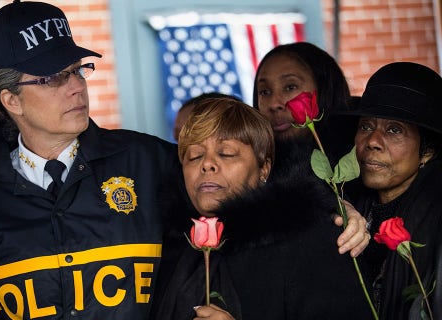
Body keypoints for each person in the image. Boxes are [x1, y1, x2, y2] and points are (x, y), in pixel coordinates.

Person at [0, 1, 187, 319]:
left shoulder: (150, 163)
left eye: (77, 70)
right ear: (11, 101)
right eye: (52, 78)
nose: (77, 86)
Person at [151, 98, 374, 319]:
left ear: (264, 168)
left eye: (227, 153)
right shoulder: (169, 247)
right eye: (194, 156)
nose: (206, 164)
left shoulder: (315, 240)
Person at [340, 62, 442, 320]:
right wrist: (337, 205)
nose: (372, 141)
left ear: (427, 151)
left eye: (394, 130)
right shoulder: (346, 206)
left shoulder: (436, 223)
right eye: (365, 126)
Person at [252, 42, 368, 256]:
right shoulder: (253, 168)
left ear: (323, 90)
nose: (274, 103)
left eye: (290, 87)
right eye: (265, 91)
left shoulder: (364, 154)